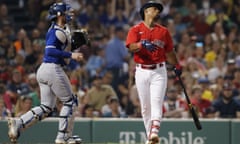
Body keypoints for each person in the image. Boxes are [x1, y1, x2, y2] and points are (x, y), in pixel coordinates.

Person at [7, 2, 83, 144]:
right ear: (59, 14)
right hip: (52, 69)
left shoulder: (59, 29)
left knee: (46, 107)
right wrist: (71, 54)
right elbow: (50, 50)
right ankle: (63, 136)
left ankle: (19, 123)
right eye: (66, 12)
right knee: (70, 102)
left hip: (45, 69)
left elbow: (59, 46)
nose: (69, 14)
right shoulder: (56, 31)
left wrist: (73, 45)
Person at [125, 1, 182, 144]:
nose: (157, 11)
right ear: (146, 11)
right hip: (141, 71)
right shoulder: (135, 29)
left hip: (158, 71)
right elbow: (130, 47)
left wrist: (176, 65)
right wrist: (141, 44)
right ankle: (151, 138)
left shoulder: (163, 31)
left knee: (156, 103)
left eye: (158, 10)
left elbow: (169, 51)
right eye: (154, 9)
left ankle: (154, 132)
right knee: (145, 108)